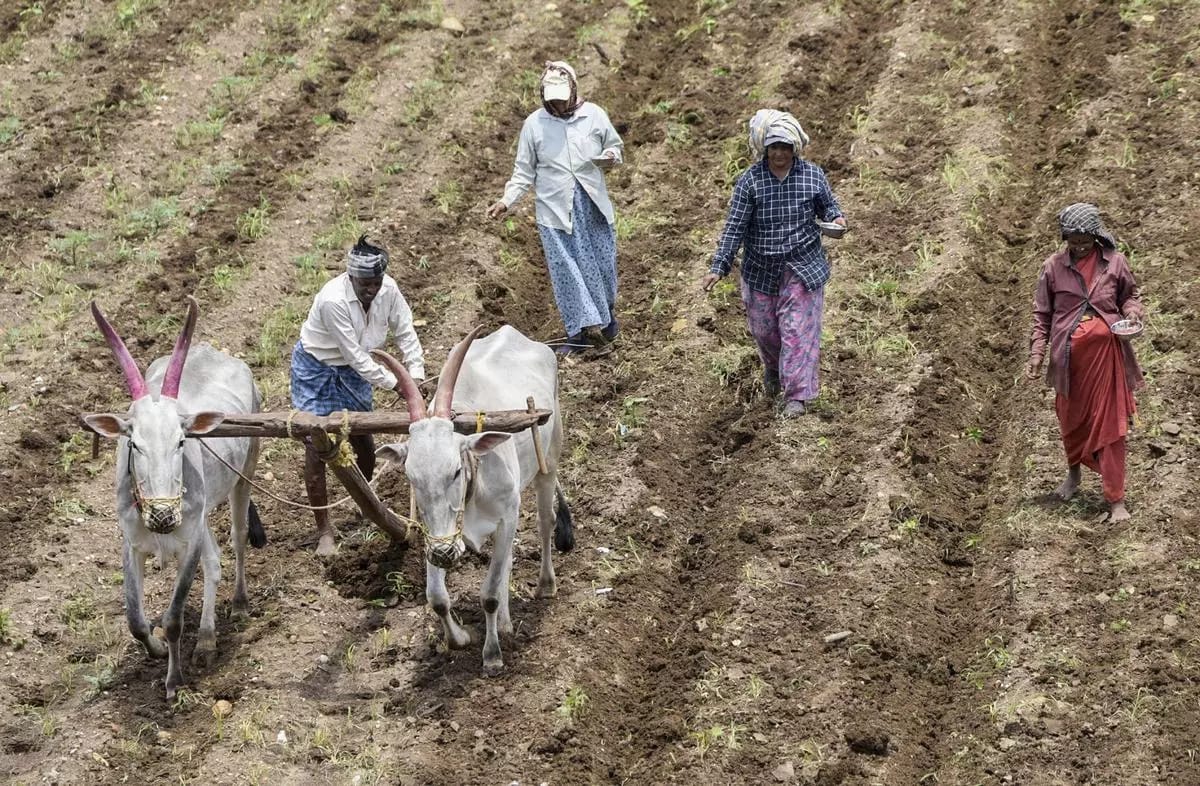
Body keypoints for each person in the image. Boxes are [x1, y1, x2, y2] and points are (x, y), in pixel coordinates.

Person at [700, 109, 846, 417]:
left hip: (802, 267)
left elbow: (829, 207)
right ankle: (774, 369)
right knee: (765, 331)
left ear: (795, 148)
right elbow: (735, 227)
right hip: (760, 270)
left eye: (785, 147)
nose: (779, 154)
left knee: (797, 331)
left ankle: (796, 396)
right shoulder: (750, 182)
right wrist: (719, 265)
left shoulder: (812, 175)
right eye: (774, 147)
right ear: (764, 149)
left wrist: (836, 219)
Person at [290, 235, 425, 555]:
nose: (372, 289)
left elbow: (405, 331)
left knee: (363, 439)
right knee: (317, 444)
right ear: (351, 277)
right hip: (317, 368)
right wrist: (399, 384)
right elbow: (356, 356)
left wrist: (416, 374)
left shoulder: (389, 290)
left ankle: (363, 504)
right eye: (365, 283)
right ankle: (324, 531)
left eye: (376, 282)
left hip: (355, 371)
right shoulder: (333, 300)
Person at [487, 60, 624, 355]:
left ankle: (608, 320)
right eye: (553, 100)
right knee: (568, 272)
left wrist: (611, 156)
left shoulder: (593, 115)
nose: (558, 105)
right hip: (554, 211)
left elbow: (615, 146)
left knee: (603, 266)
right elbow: (523, 171)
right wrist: (506, 201)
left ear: (573, 90)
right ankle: (580, 334)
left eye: (562, 99)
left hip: (592, 205)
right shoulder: (534, 125)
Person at [1026, 203, 1145, 522]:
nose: (1079, 246)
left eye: (1085, 241)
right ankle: (1074, 475)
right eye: (1073, 241)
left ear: (1096, 236)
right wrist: (1037, 354)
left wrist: (1132, 314)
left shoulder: (1115, 262)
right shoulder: (1053, 267)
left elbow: (1130, 296)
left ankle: (1116, 501)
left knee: (1110, 427)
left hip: (1106, 359)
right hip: (1068, 361)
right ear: (1065, 239)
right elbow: (1042, 314)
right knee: (1071, 420)